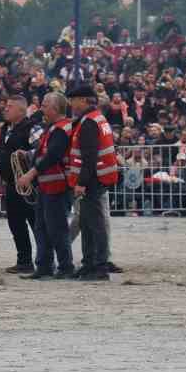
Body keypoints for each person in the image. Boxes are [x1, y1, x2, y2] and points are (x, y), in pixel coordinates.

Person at [16, 92, 75, 280]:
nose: (41, 109)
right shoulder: (53, 128)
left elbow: (53, 156)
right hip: (47, 186)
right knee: (42, 227)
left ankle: (65, 266)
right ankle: (44, 266)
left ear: (56, 108)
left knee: (57, 229)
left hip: (57, 186)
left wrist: (31, 173)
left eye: (45, 105)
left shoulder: (61, 128)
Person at [66, 85, 120, 281]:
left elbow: (89, 157)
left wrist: (81, 182)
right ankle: (89, 264)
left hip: (92, 179)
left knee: (95, 224)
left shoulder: (88, 122)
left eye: (74, 100)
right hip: (97, 177)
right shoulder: (97, 118)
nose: (71, 104)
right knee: (88, 223)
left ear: (84, 100)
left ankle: (99, 266)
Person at [0, 94, 39, 274]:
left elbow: (41, 150)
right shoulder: (6, 128)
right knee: (16, 224)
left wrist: (27, 156)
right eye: (6, 105)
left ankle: (47, 259)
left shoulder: (33, 128)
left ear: (21, 110)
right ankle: (24, 261)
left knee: (37, 224)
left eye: (10, 106)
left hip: (29, 185)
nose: (5, 108)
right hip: (11, 185)